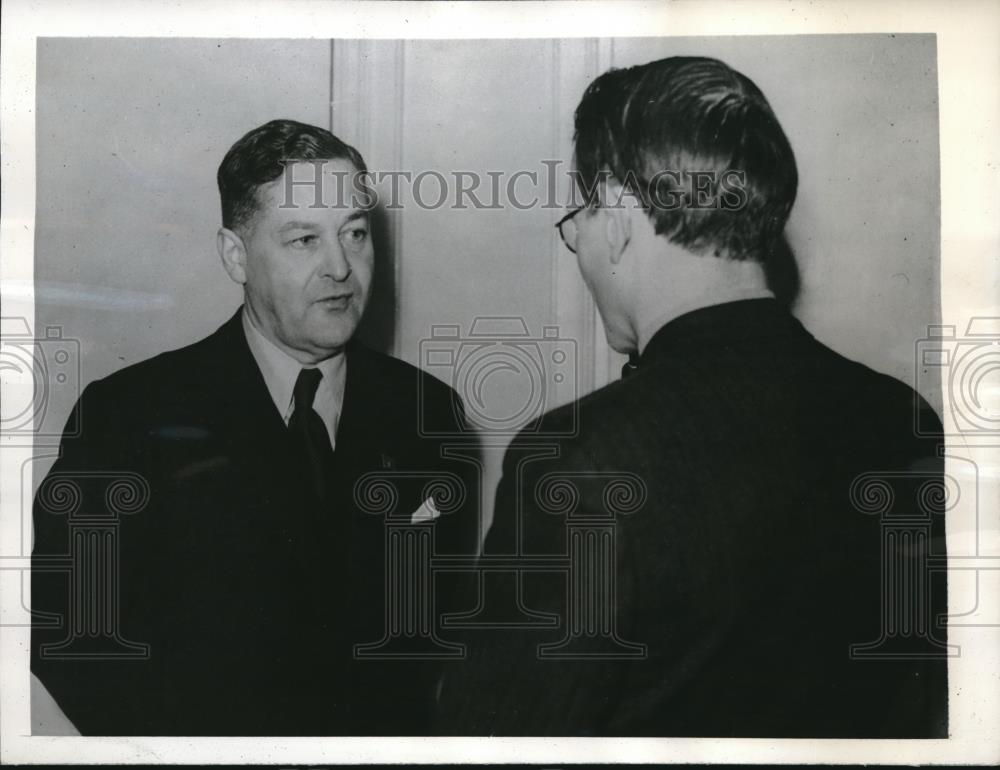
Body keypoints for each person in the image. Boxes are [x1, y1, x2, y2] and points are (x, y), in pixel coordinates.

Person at [436, 57, 948, 737]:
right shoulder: (902, 418)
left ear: (616, 213)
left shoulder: (577, 464)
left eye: (579, 216)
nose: (580, 243)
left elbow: (491, 743)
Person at [31, 119, 477, 736]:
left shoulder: (432, 415)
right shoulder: (129, 417)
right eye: (303, 241)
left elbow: (442, 642)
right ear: (235, 255)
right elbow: (72, 641)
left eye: (355, 233)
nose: (341, 268)